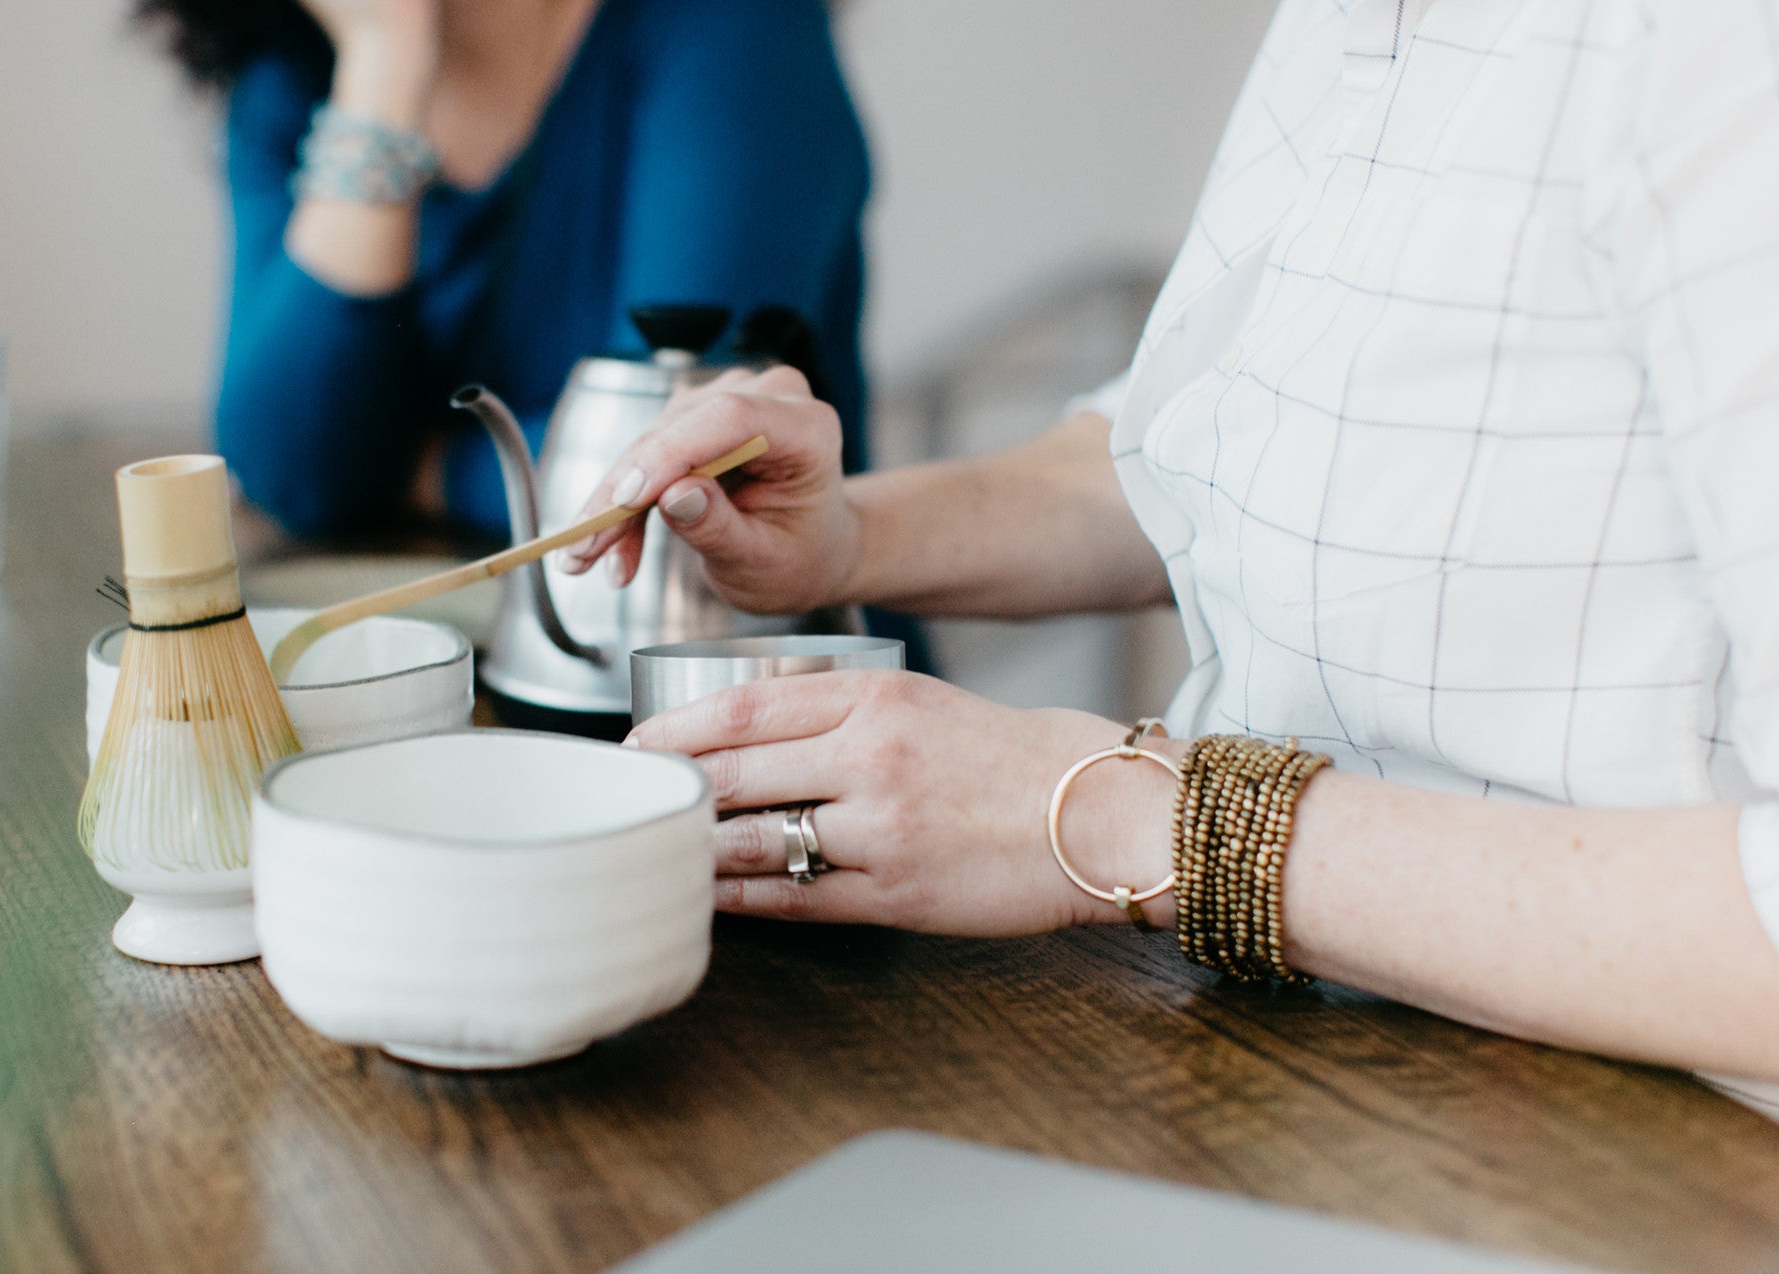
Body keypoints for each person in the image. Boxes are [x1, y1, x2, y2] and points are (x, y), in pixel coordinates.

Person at [563, 0, 1779, 1098]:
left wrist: (1116, 821)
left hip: (1660, 1158)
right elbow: (1201, 446)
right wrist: (848, 537)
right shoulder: (1337, 28)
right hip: (1312, 1061)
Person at [136, 0, 870, 539]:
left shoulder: (735, 27)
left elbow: (672, 465)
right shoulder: (293, 69)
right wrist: (386, 61)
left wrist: (411, 472)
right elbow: (291, 470)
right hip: (446, 675)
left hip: (751, 691)